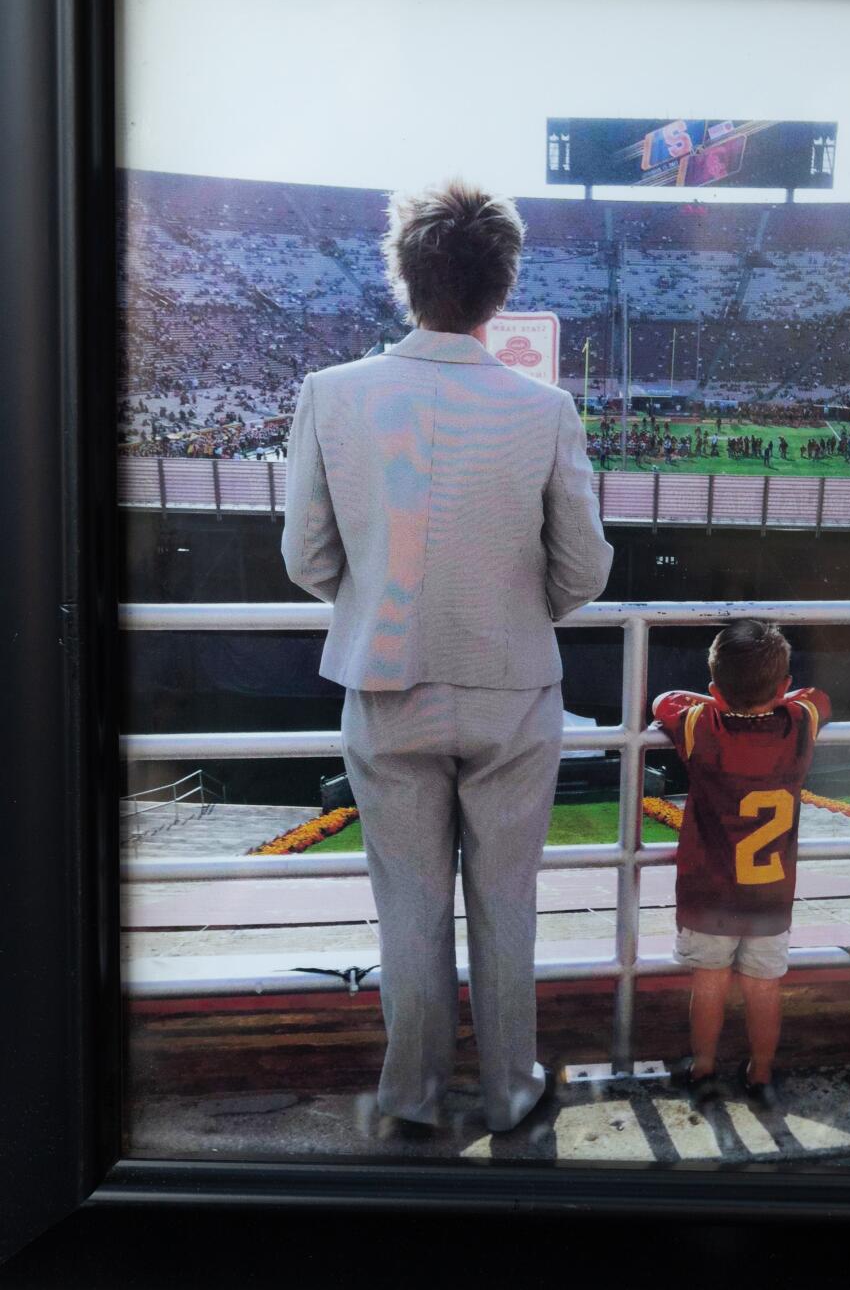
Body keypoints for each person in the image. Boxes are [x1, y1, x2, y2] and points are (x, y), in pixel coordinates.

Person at [282, 179, 613, 1137]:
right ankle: (512, 1091)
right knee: (506, 906)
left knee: (410, 910)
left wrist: (385, 597)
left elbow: (307, 559)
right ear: (501, 289)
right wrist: (521, 611)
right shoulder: (543, 408)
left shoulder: (331, 396)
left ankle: (412, 1096)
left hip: (385, 688)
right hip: (514, 689)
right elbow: (584, 566)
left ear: (405, 277)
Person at [650, 620, 831, 1109]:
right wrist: (782, 699)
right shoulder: (798, 725)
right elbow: (819, 698)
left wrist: (716, 701)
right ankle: (761, 1072)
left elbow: (664, 700)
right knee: (764, 987)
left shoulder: (700, 725)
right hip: (770, 893)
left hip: (709, 893)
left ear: (715, 691)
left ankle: (704, 1066)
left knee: (709, 982)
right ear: (783, 687)